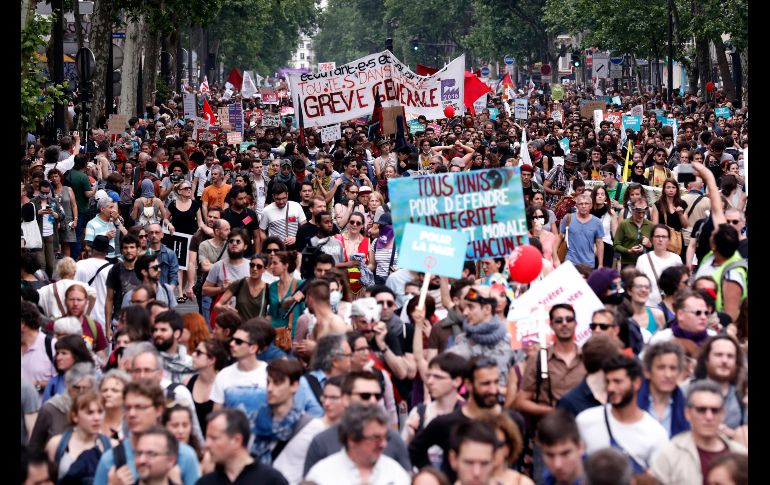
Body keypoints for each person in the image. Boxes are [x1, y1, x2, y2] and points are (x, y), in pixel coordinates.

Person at [410, 357, 521, 482]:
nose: (493, 390)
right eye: (486, 384)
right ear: (468, 385)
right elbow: (415, 451)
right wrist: (438, 479)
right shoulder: (445, 423)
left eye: (496, 382)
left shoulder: (514, 420)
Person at [93, 379, 201, 485]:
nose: (132, 414)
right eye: (128, 408)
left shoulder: (184, 456)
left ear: (158, 410)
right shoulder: (111, 459)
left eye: (140, 407)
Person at [303, 371, 411, 476]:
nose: (373, 401)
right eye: (365, 396)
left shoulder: (392, 439)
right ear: (345, 399)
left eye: (377, 396)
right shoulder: (322, 442)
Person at [576, 355, 669, 473]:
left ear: (636, 383)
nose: (611, 388)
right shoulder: (585, 421)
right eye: (607, 381)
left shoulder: (655, 433)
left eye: (617, 381)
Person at [651, 380, 747, 485]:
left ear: (723, 414)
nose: (709, 417)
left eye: (715, 410)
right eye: (701, 410)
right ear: (687, 413)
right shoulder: (670, 454)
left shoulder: (740, 454)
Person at [252, 359, 327, 484]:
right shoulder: (255, 422)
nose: (270, 388)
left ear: (294, 386)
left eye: (277, 382)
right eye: (268, 382)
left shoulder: (313, 428)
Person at [306, 402, 411, 485]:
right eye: (376, 438)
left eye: (386, 438)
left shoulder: (396, 472)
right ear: (352, 438)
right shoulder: (321, 474)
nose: (383, 444)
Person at [516, 303, 587, 417]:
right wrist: (552, 412)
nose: (564, 324)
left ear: (575, 323)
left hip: (584, 426)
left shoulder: (587, 357)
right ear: (551, 325)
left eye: (569, 319)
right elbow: (521, 401)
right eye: (559, 320)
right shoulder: (539, 358)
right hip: (551, 427)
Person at [197, 408, 288, 485]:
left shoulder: (271, 480)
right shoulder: (206, 482)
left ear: (237, 440)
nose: (207, 444)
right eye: (207, 438)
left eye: (214, 438)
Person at [447, 286, 512, 388]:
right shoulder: (461, 341)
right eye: (465, 307)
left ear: (487, 309)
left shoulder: (510, 341)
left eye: (471, 307)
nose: (465, 312)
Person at [45, 389, 114, 481]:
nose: (97, 418)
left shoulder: (112, 447)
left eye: (100, 412)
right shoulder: (56, 444)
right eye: (90, 412)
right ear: (75, 416)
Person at [29, 363, 97, 453]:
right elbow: (35, 447)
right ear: (68, 386)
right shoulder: (50, 409)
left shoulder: (98, 412)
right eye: (76, 388)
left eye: (85, 389)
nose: (81, 393)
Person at [402, 352, 466, 446]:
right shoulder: (419, 413)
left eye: (438, 377)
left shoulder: (468, 414)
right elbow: (402, 454)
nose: (430, 381)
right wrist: (410, 437)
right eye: (429, 376)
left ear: (456, 381)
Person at [557, 334, 623, 417]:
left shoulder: (621, 396)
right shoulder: (568, 403)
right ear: (606, 365)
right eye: (619, 360)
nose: (623, 365)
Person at [211, 320, 269, 410]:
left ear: (253, 348)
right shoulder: (223, 375)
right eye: (233, 340)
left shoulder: (269, 373)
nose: (232, 344)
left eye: (238, 341)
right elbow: (216, 414)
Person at [691, 336, 746, 430]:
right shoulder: (686, 391)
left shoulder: (743, 396)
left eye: (730, 356)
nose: (724, 361)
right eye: (718, 355)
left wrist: (732, 435)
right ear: (706, 359)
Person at [637, 341, 690, 438]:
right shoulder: (632, 403)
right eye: (661, 368)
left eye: (673, 368)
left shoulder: (687, 408)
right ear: (647, 372)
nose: (668, 375)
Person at [474, 412, 535, 485]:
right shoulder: (464, 482)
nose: (490, 450)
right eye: (484, 444)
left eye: (496, 444)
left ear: (508, 448)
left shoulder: (523, 483)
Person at [185, 337, 228, 438]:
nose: (193, 355)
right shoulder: (188, 381)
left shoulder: (222, 386)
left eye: (199, 352)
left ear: (212, 360)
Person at [648, 288, 718, 347]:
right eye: (698, 313)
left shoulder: (714, 340)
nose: (703, 317)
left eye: (706, 313)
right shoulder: (661, 340)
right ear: (680, 314)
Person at [635, 224, 683, 306]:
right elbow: (637, 284)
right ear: (652, 239)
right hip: (649, 306)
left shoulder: (676, 259)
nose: (660, 239)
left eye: (664, 237)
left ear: (669, 240)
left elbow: (682, 284)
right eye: (657, 236)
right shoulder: (643, 259)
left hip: (671, 307)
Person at [535, 409, 586, 485]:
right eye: (550, 455)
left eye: (565, 454)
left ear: (580, 447)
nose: (558, 465)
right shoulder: (546, 479)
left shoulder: (602, 479)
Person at [37, 257, 97, 321]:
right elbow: (93, 296)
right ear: (74, 272)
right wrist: (86, 314)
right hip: (76, 324)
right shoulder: (82, 286)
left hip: (54, 325)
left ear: (59, 272)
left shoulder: (46, 289)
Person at [104, 235, 142, 336]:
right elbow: (109, 299)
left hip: (141, 322)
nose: (128, 250)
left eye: (132, 247)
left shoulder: (144, 269)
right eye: (125, 248)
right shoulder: (115, 270)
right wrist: (107, 327)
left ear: (138, 249)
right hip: (120, 322)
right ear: (121, 250)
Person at [213, 253, 269, 320]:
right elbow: (217, 306)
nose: (254, 268)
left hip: (258, 329)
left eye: (259, 266)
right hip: (239, 328)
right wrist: (224, 308)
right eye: (252, 265)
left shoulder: (268, 288)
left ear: (265, 269)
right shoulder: (239, 283)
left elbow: (276, 311)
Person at [266, 250, 305, 342]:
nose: (271, 267)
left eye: (275, 263)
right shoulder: (272, 286)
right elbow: (270, 314)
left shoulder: (300, 284)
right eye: (271, 263)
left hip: (293, 336)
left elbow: (305, 312)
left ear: (285, 265)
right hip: (274, 335)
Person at [41, 334, 93, 403]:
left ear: (77, 355)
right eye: (57, 353)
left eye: (64, 353)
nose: (58, 358)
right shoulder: (53, 384)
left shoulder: (95, 378)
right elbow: (46, 410)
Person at [558, 193, 604, 268]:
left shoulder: (597, 222)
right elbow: (560, 236)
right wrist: (555, 257)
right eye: (581, 204)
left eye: (586, 203)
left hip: (588, 263)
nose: (583, 206)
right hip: (570, 261)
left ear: (591, 206)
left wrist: (600, 264)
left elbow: (599, 243)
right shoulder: (568, 218)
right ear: (576, 206)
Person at [257, 183, 307, 251]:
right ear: (273, 196)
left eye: (284, 198)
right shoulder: (266, 211)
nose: (281, 202)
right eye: (277, 199)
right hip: (277, 250)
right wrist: (267, 245)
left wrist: (296, 238)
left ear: (287, 195)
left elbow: (304, 226)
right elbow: (261, 231)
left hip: (295, 248)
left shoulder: (296, 206)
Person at [152, 310, 195, 384]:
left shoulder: (190, 363)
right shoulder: (148, 360)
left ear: (177, 334)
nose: (157, 334)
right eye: (155, 330)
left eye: (163, 330)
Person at [334, 211, 370, 298]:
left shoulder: (367, 241)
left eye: (358, 223)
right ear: (348, 223)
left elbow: (371, 264)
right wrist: (349, 264)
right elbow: (331, 264)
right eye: (352, 222)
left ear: (362, 226)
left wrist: (364, 268)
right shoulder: (337, 239)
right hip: (340, 284)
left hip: (360, 287)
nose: (354, 225)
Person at [614, 197, 654, 268]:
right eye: (638, 212)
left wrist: (650, 245)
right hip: (628, 264)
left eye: (644, 212)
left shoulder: (651, 225)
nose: (641, 215)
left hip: (646, 264)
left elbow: (658, 246)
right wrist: (629, 251)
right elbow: (616, 245)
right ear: (632, 210)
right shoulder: (624, 224)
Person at [100, 369, 131, 441]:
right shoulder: (92, 419)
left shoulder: (131, 423)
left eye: (115, 390)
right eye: (104, 390)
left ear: (126, 395)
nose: (108, 394)